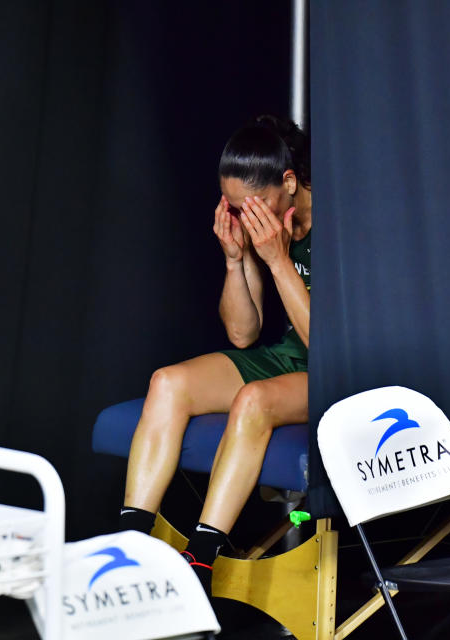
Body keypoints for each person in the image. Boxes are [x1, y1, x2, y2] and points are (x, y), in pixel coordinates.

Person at [119, 116, 312, 593]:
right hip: (290, 355)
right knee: (167, 382)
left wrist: (277, 260)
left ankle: (201, 561)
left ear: (289, 183)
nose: (249, 218)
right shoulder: (260, 226)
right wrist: (234, 259)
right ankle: (129, 548)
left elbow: (328, 347)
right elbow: (243, 334)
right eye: (236, 207)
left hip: (341, 364)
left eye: (256, 205)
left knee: (253, 400)